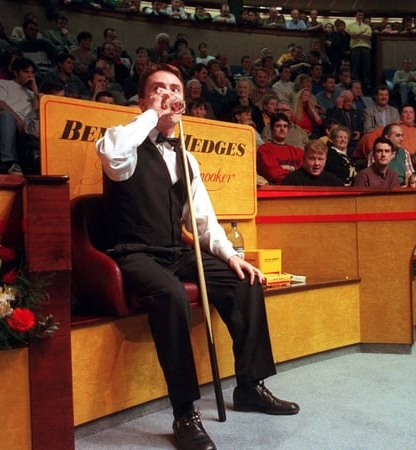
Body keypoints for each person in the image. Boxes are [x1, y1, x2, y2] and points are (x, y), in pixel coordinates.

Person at [95, 64, 298, 450]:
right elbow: (114, 154)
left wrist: (229, 255)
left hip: (176, 251)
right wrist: (153, 115)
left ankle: (251, 386)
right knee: (171, 296)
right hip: (134, 254)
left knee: (245, 280)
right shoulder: (123, 141)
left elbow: (203, 221)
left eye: (174, 88)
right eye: (157, 89)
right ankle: (184, 411)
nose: (168, 94)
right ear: (141, 100)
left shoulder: (187, 158)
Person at [0, 57, 38, 175]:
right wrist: (17, 119)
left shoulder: (31, 93)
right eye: (26, 72)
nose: (30, 75)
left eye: (32, 73)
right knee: (7, 116)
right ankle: (9, 162)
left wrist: (35, 91)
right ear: (16, 72)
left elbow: (35, 114)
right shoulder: (3, 83)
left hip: (23, 123)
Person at [257, 113, 304, 184]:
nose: (282, 129)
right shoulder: (264, 150)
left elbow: (305, 173)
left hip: (298, 189)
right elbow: (273, 174)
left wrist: (288, 168)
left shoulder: (298, 152)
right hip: (276, 190)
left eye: (285, 126)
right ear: (272, 129)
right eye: (278, 126)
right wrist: (295, 170)